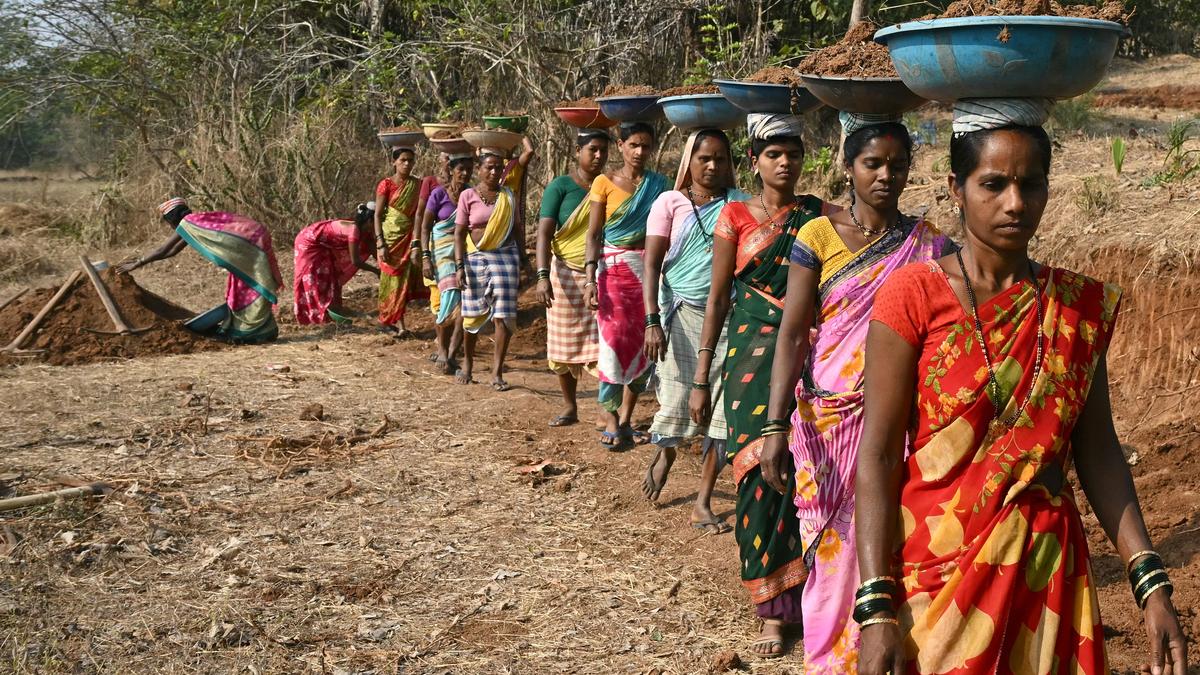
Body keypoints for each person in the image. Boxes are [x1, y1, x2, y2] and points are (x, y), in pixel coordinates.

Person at [855, 99, 1187, 675]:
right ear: (956, 188)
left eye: (1031, 184)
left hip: (1045, 578)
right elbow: (879, 453)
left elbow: (1098, 451)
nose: (1015, 203)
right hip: (936, 578)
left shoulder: (1075, 308)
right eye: (994, 184)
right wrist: (875, 607)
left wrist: (1150, 582)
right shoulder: (913, 295)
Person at [757, 113, 951, 672]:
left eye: (897, 164)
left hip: (897, 417)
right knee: (829, 543)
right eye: (873, 163)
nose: (886, 175)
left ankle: (882, 646)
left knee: (892, 533)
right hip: (826, 418)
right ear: (848, 167)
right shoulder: (817, 236)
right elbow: (794, 333)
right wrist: (774, 425)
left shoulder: (929, 245)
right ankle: (828, 659)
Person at [689, 114, 838, 658]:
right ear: (754, 161)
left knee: (808, 467)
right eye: (774, 154)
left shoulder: (816, 214)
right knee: (758, 474)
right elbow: (718, 298)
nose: (785, 162)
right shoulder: (733, 217)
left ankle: (814, 598)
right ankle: (772, 610)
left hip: (807, 353)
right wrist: (701, 374)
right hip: (748, 358)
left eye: (793, 153)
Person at [640, 128, 748, 533]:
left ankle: (703, 501)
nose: (713, 166)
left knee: (722, 413)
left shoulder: (740, 204)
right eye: (705, 158)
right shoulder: (670, 202)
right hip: (681, 315)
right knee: (677, 401)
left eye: (720, 158)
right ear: (690, 161)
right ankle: (667, 451)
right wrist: (652, 320)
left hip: (728, 318)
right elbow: (652, 264)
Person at [583, 121, 668, 449]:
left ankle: (628, 418)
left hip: (648, 271)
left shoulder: (659, 185)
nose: (639, 152)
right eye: (633, 145)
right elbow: (594, 233)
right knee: (613, 343)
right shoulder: (603, 182)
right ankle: (610, 415)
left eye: (645, 146)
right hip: (613, 271)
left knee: (643, 344)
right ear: (620, 146)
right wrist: (590, 278)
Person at [117, 198, 284, 343]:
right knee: (248, 285)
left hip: (250, 244)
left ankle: (250, 332)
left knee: (250, 286)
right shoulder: (196, 223)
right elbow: (173, 251)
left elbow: (163, 249)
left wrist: (138, 263)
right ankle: (263, 330)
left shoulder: (187, 223)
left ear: (171, 219)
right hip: (255, 238)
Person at [536, 128, 610, 426]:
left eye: (603, 150)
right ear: (578, 151)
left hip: (602, 273)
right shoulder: (561, 187)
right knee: (562, 344)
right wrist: (542, 275)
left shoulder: (610, 185)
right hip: (564, 274)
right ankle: (570, 406)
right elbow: (544, 233)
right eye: (593, 149)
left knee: (606, 343)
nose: (598, 155)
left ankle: (607, 409)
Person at [454, 135, 536, 390]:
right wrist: (459, 266)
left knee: (504, 315)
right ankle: (467, 363)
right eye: (489, 167)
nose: (494, 172)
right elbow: (459, 233)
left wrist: (524, 260)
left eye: (499, 168)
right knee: (472, 315)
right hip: (474, 258)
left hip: (505, 258)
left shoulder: (508, 196)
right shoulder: (468, 195)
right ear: (479, 169)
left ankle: (497, 371)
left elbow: (517, 230)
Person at [419, 153, 474, 374]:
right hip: (441, 251)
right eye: (461, 169)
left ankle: (452, 353)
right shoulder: (439, 194)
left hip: (465, 250)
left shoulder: (472, 194)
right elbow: (425, 227)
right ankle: (442, 349)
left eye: (469, 169)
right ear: (451, 170)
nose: (465, 173)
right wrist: (425, 256)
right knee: (449, 295)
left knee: (465, 304)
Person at [292, 202, 381, 325]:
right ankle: (316, 313)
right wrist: (376, 271)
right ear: (370, 221)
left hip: (322, 245)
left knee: (330, 274)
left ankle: (333, 308)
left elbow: (373, 248)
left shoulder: (363, 230)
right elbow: (355, 261)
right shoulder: (354, 230)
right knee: (314, 276)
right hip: (308, 243)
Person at [375, 145, 423, 337]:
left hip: (408, 237)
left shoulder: (418, 185)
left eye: (410, 160)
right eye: (403, 160)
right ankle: (386, 319)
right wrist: (380, 243)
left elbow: (419, 213)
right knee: (390, 280)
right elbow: (378, 215)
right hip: (390, 239)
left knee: (403, 281)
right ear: (394, 162)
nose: (407, 164)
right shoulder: (385, 184)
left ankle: (401, 325)